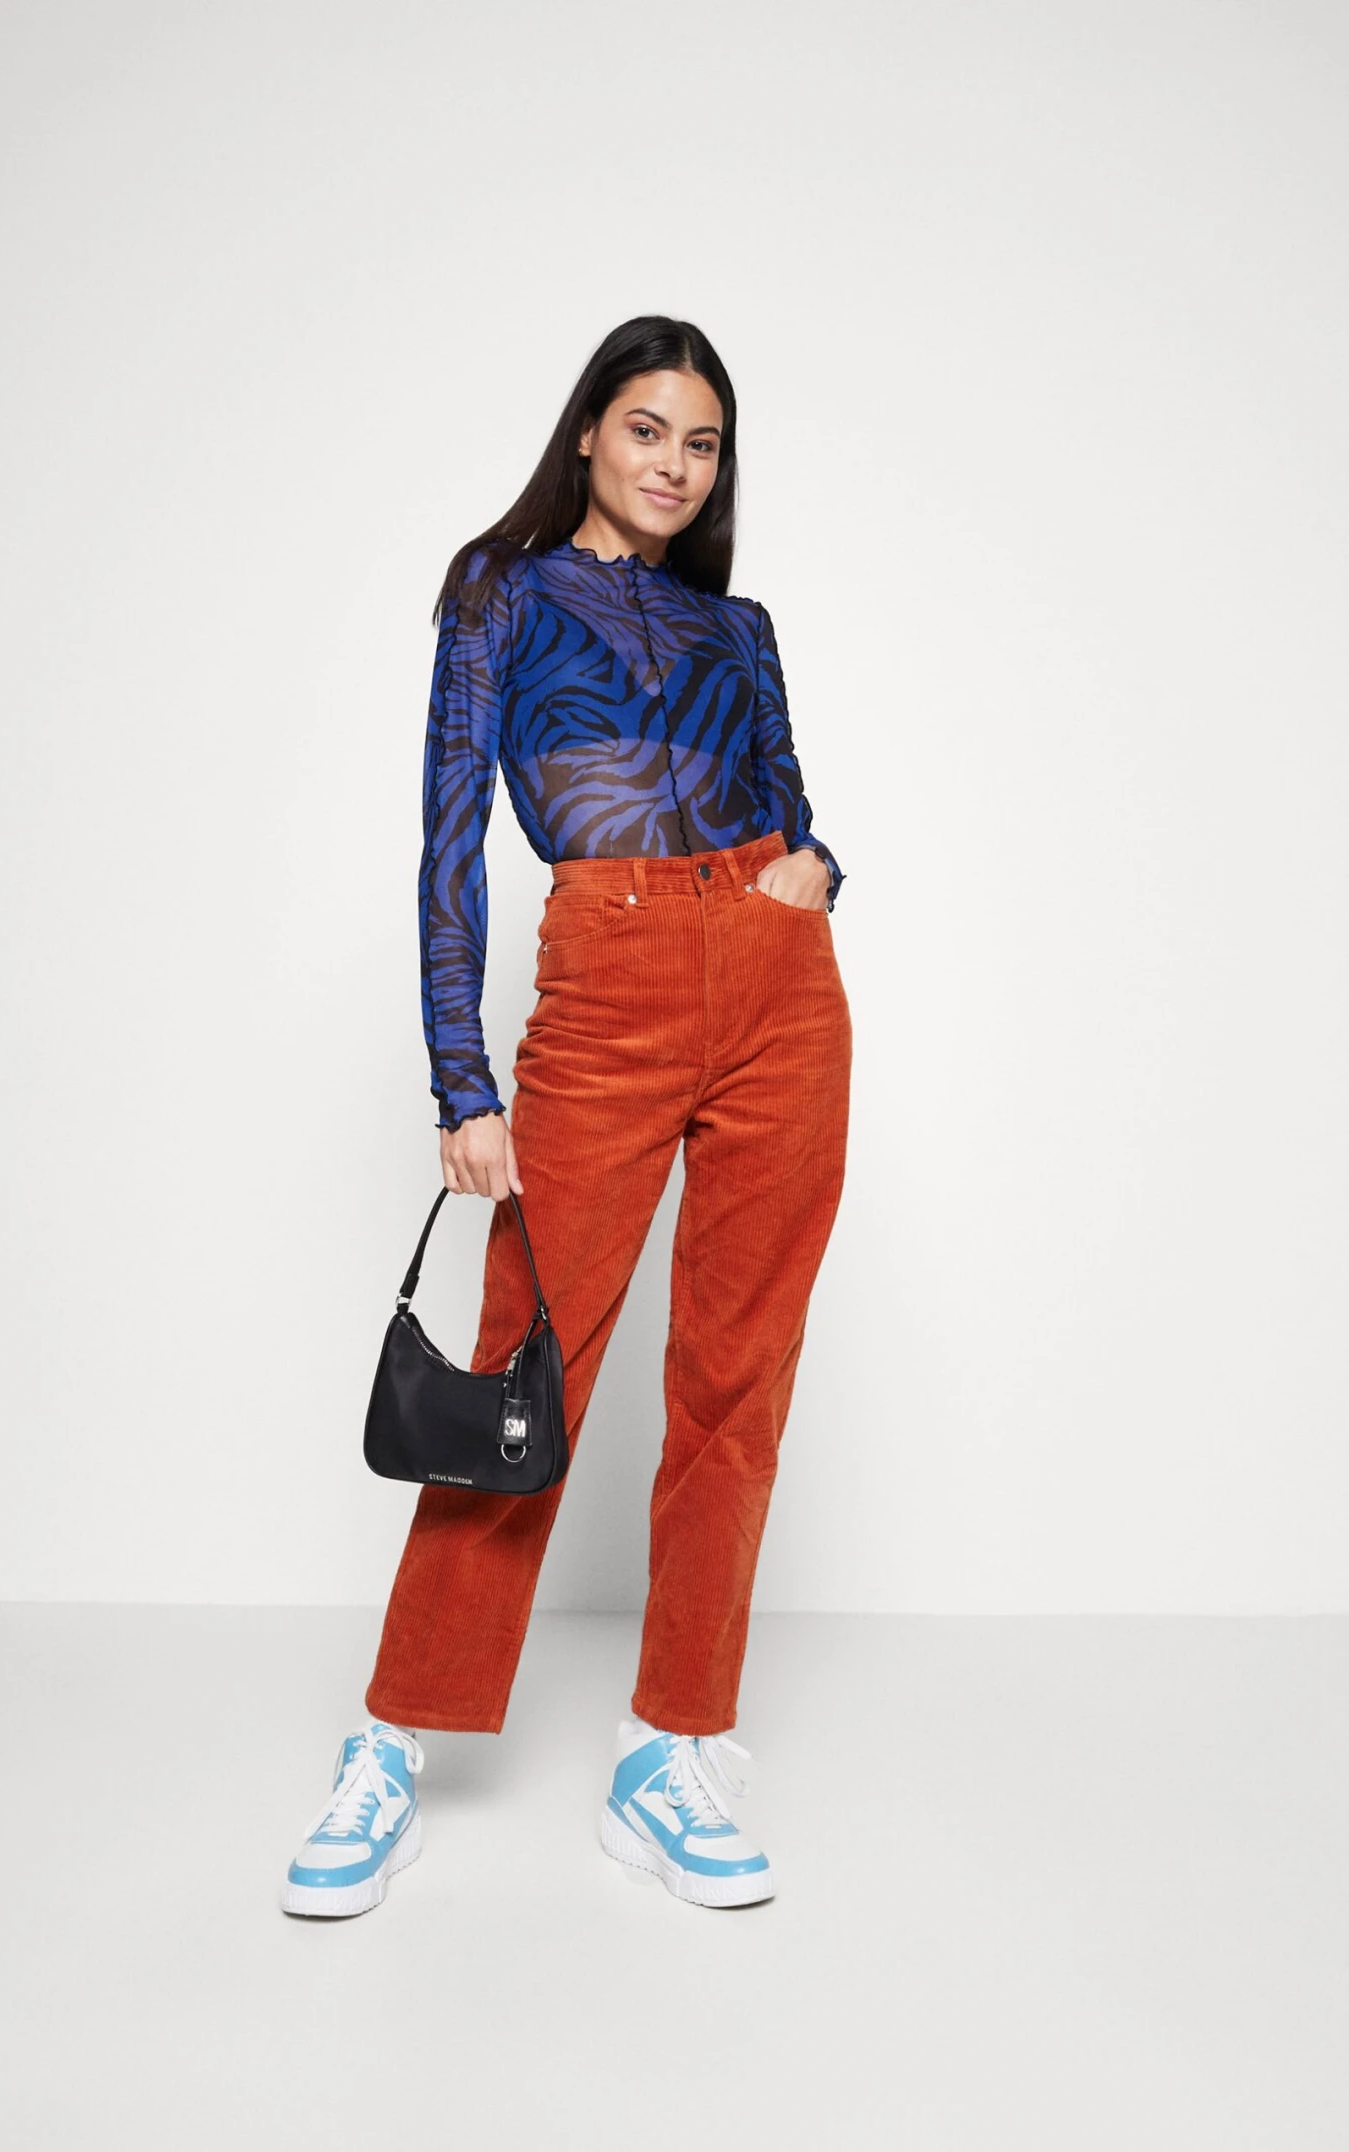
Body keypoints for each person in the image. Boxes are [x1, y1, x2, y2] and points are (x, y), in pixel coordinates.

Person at [280, 315, 852, 1918]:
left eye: (703, 443)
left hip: (780, 989)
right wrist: (461, 1077)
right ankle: (392, 1739)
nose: (676, 464)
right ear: (590, 430)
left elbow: (791, 805)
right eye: (649, 428)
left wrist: (817, 874)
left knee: (738, 1382)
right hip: (608, 977)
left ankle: (673, 1745)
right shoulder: (502, 593)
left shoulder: (739, 625)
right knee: (524, 1373)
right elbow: (449, 836)